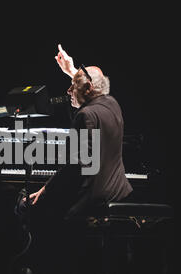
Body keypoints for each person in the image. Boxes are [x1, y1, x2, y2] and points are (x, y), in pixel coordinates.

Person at [26, 44, 133, 218]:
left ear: (88, 89)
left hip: (93, 199)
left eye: (73, 86)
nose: (68, 91)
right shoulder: (113, 104)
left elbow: (73, 166)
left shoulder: (85, 115)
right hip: (118, 193)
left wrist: (45, 189)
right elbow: (93, 84)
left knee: (33, 210)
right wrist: (71, 70)